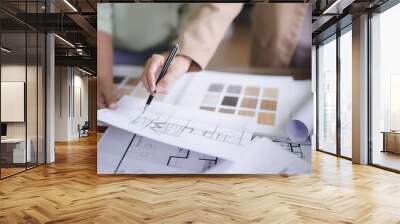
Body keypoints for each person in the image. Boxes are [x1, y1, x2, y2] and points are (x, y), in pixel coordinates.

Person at [98, 3, 311, 108]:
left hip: (167, 43)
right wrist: (183, 56)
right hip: (115, 49)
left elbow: (192, 13)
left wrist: (181, 52)